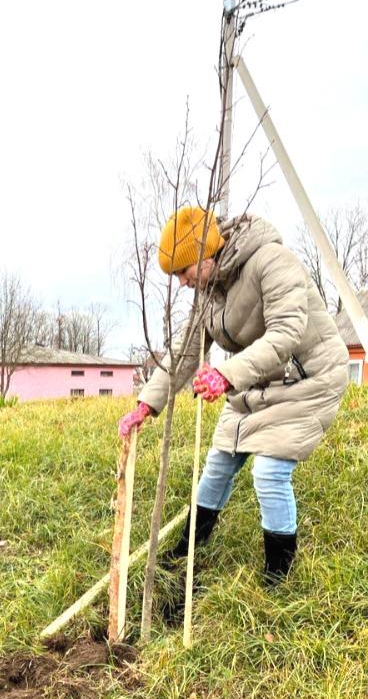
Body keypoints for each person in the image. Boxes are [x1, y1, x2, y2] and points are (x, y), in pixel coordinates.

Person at [119, 206, 348, 591]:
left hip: (307, 379)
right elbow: (187, 349)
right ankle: (188, 549)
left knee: (269, 472)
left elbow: (286, 333)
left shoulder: (273, 261)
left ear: (204, 255)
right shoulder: (210, 291)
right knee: (218, 465)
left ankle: (279, 575)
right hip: (255, 384)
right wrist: (147, 404)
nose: (181, 282)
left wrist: (225, 375)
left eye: (182, 271)